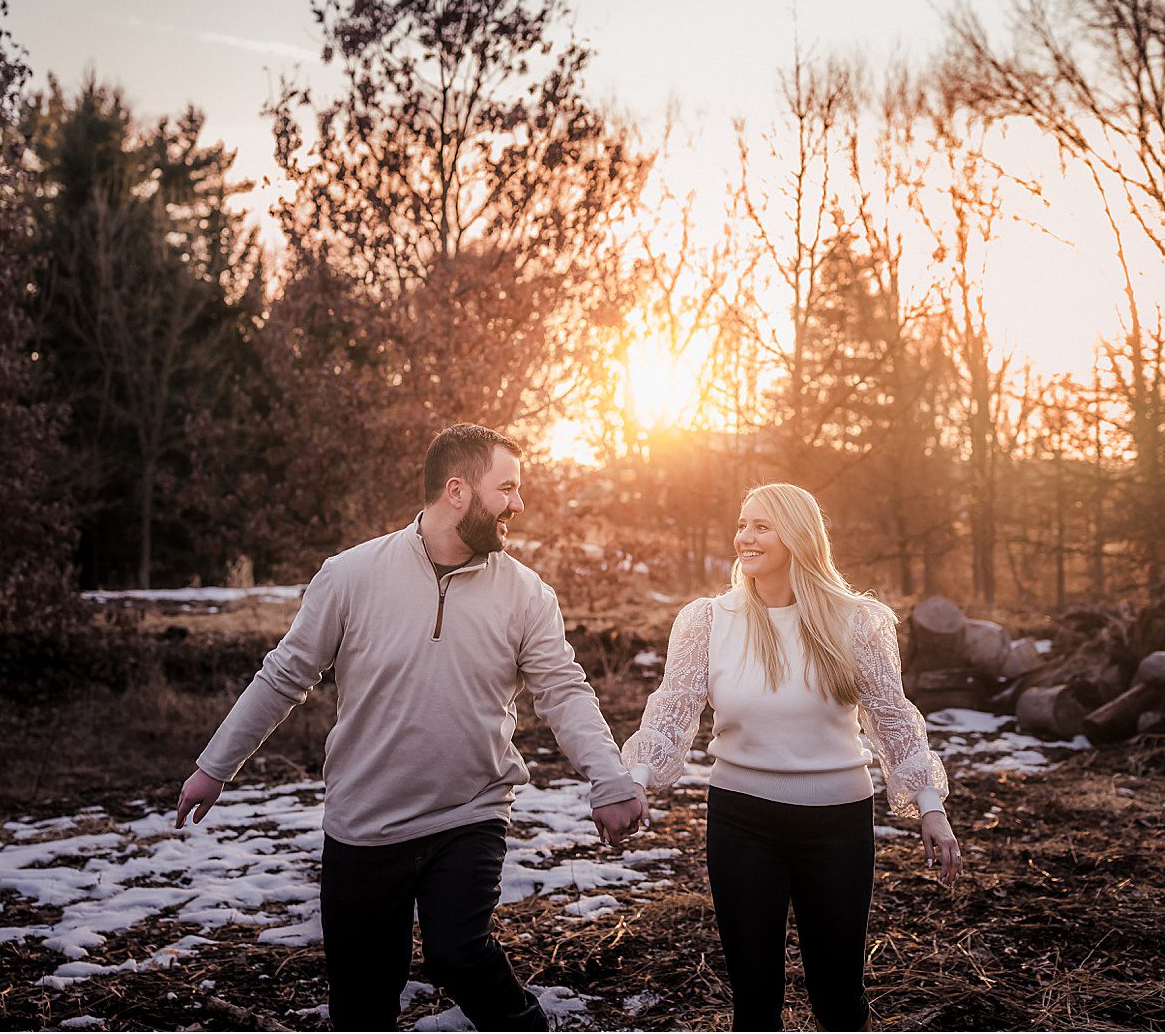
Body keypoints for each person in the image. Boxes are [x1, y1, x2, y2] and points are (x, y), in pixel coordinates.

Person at [174, 424, 647, 1031]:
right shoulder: (350, 576)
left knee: (459, 954)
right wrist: (215, 766)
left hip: (469, 813)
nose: (519, 505)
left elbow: (563, 693)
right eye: (506, 488)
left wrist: (608, 779)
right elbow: (284, 676)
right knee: (363, 999)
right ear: (457, 491)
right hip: (365, 823)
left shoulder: (527, 594)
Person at [621, 482, 961, 1031]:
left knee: (839, 995)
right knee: (754, 999)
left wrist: (929, 805)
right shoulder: (708, 621)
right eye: (741, 524)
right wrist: (635, 781)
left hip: (837, 822)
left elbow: (891, 718)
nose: (744, 538)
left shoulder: (856, 622)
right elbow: (671, 711)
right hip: (740, 818)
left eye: (761, 526)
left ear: (799, 537)